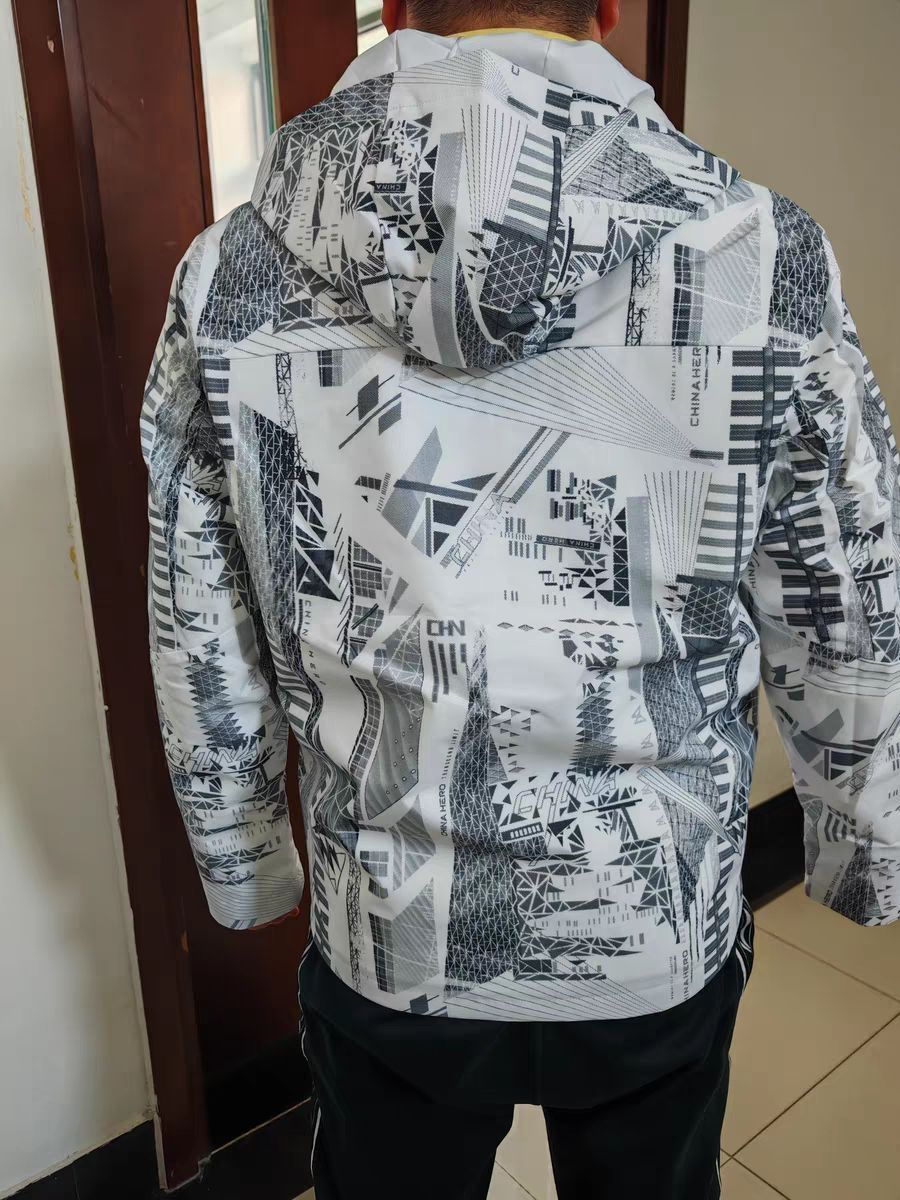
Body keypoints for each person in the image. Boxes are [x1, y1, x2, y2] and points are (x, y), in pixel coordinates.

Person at [141, 2, 900, 1196]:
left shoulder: (231, 272)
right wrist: (864, 839)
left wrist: (243, 855)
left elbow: (200, 610)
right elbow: (846, 587)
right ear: (609, 7)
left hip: (389, 925)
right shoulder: (766, 257)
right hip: (654, 923)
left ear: (399, 6)